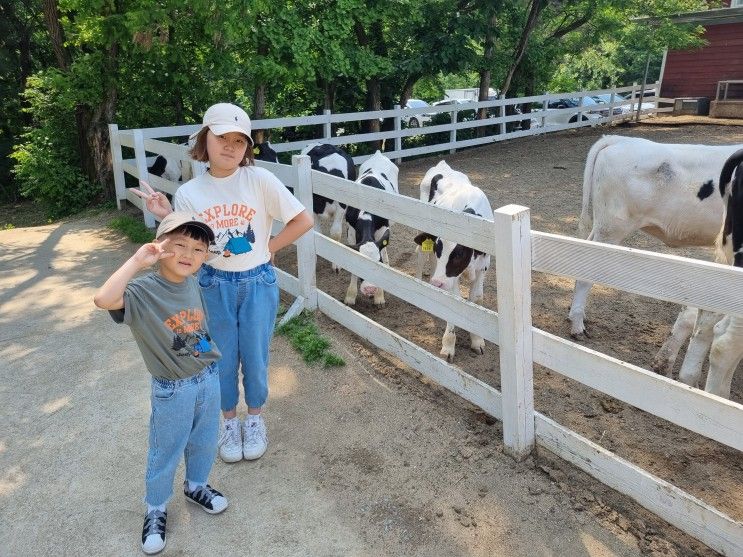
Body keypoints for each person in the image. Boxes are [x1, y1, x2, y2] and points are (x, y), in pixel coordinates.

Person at [133, 102, 313, 464]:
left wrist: (268, 246)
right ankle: (229, 422)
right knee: (222, 358)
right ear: (205, 139)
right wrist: (167, 216)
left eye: (239, 141)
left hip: (258, 282)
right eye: (221, 138)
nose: (230, 147)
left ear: (247, 147)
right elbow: (186, 247)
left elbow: (302, 220)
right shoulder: (191, 193)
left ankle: (256, 419)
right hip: (213, 284)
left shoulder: (259, 180)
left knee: (257, 357)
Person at [94, 212, 229, 554]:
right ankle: (155, 508)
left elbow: (198, 328)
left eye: (199, 249)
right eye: (179, 245)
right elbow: (104, 299)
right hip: (173, 389)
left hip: (207, 378)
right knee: (165, 450)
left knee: (204, 441)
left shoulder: (193, 283)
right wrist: (138, 261)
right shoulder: (142, 291)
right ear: (160, 247)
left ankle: (196, 485)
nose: (189, 254)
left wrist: (206, 353)